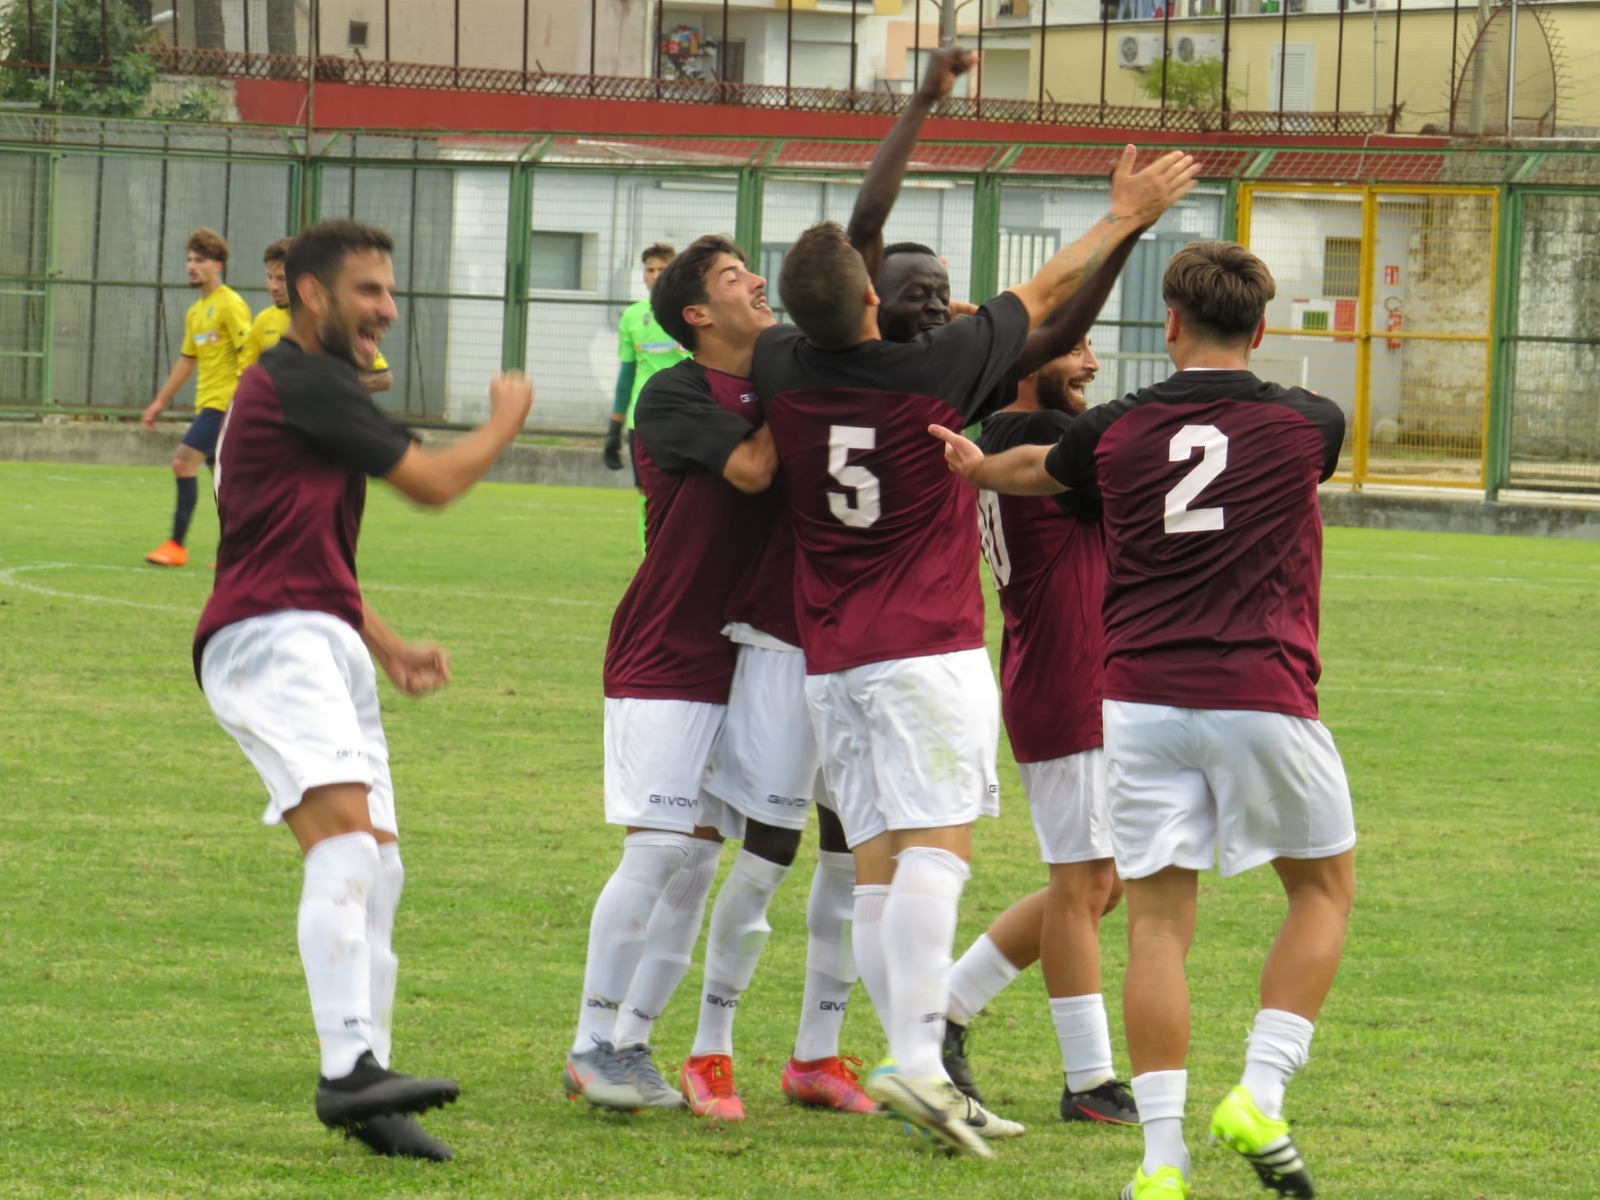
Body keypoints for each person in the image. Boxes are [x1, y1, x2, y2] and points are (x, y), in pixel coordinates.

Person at [755, 145, 1199, 1158]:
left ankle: (919, 1055)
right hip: (923, 651)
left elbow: (847, 279)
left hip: (832, 661)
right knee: (938, 855)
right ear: (874, 297)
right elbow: (1048, 290)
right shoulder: (936, 372)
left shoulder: (785, 364)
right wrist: (1124, 213)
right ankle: (919, 1055)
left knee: (877, 869)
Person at [930, 241, 1355, 1200]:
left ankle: (1162, 1161)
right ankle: (1259, 1091)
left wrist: (976, 468)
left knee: (1158, 927)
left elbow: (1043, 468)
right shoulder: (1311, 423)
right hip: (1260, 687)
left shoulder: (1116, 431)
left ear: (1168, 324)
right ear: (1259, 327)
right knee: (1321, 891)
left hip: (1137, 702)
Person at [672, 45, 982, 1129]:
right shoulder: (814, 360)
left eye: (938, 296)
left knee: (858, 866)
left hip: (861, 653)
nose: (932, 305)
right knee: (766, 856)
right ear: (871, 299)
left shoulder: (875, 374)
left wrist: (920, 106)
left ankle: (819, 1053)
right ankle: (711, 1046)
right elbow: (866, 216)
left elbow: (867, 225)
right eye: (914, 291)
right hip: (789, 644)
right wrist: (918, 108)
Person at [194, 219, 534, 1160]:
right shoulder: (298, 376)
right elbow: (429, 483)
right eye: (367, 290)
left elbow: (305, 548)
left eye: (390, 290)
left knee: (379, 866)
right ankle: (348, 1072)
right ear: (310, 295)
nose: (387, 307)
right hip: (269, 639)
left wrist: (380, 643)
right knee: (344, 852)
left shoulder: (317, 387)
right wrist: (506, 420)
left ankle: (373, 1089)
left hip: (317, 630)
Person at [564, 234, 779, 1113]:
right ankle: (589, 1042)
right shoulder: (677, 391)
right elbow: (757, 469)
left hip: (748, 656)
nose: (758, 282)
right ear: (698, 313)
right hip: (667, 648)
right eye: (736, 278)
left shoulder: (773, 383)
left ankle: (635, 1043)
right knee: (656, 848)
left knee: (695, 863)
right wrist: (807, 390)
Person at [939, 340, 1141, 1128]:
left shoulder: (1005, 431)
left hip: (1065, 673)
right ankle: (1089, 1080)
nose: (1093, 363)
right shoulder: (1046, 442)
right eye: (1077, 347)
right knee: (1084, 887)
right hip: (1070, 680)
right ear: (1033, 361)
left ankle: (942, 1012)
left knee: (1102, 886)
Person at [141, 228, 252, 568]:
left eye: (200, 260)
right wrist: (160, 401)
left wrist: (245, 398)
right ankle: (239, 551)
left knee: (182, 462)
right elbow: (187, 360)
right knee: (225, 480)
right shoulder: (196, 312)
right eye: (189, 260)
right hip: (209, 403)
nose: (191, 266)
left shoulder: (230, 303)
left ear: (217, 266)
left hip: (225, 404)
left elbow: (248, 351)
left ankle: (176, 544)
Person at [242, 237, 394, 392]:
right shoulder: (263, 320)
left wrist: (322, 387)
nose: (273, 286)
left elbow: (383, 377)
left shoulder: (331, 322)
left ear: (305, 281)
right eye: (269, 277)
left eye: (281, 279)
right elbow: (245, 373)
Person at [603, 243, 688, 473]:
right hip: (641, 419)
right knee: (645, 493)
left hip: (684, 416)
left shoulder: (690, 313)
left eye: (662, 269)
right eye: (650, 270)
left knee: (680, 492)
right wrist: (614, 426)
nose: (655, 276)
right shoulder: (632, 316)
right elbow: (627, 374)